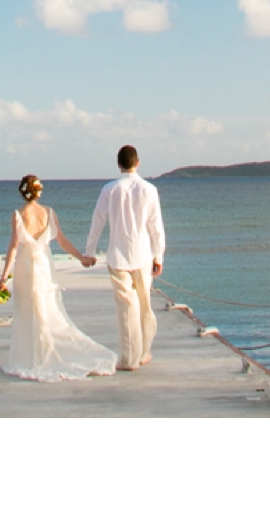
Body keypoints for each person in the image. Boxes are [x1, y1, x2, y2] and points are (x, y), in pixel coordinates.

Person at [0, 175, 117, 381]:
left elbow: (14, 247)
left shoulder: (18, 215)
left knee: (28, 309)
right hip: (43, 265)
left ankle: (34, 356)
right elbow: (62, 240)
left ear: (23, 192)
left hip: (25, 266)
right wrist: (81, 258)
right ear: (39, 192)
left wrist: (3, 277)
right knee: (46, 307)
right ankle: (43, 350)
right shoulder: (49, 213)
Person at [85, 144, 165, 371]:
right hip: (143, 255)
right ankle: (144, 352)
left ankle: (129, 358)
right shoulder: (149, 189)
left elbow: (97, 221)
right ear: (137, 163)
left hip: (118, 256)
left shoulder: (110, 189)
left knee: (126, 309)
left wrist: (90, 252)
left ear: (119, 164)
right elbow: (156, 226)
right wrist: (159, 255)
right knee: (144, 305)